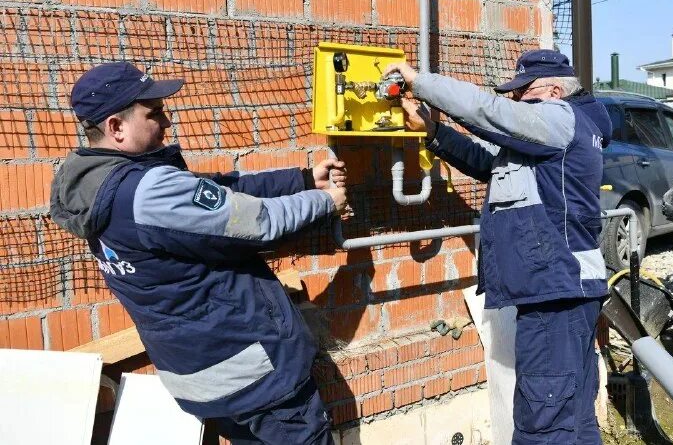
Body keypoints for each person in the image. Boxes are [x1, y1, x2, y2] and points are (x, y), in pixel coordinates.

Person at [50, 62, 347, 445]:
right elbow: (259, 221)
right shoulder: (148, 191)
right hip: (255, 372)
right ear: (116, 127)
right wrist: (323, 200)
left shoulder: (98, 185)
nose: (166, 121)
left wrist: (301, 179)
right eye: (153, 112)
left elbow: (215, 191)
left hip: (202, 377)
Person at [386, 50, 611, 444]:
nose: (514, 101)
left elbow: (489, 113)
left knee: (544, 421)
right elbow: (487, 161)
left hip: (556, 290)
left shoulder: (561, 118)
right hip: (567, 288)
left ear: (555, 90)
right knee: (572, 414)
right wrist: (433, 132)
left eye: (522, 91)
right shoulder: (552, 138)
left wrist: (419, 82)